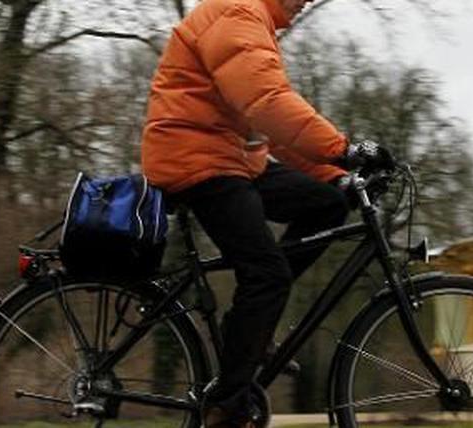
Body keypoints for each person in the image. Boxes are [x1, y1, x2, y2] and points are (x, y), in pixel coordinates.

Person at [141, 0, 391, 426]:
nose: (306, 1)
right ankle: (227, 404)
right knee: (266, 276)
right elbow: (268, 102)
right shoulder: (238, 14)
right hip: (197, 158)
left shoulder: (252, 21)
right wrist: (342, 149)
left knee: (328, 204)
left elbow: (268, 129)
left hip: (231, 157)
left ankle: (251, 326)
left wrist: (335, 176)